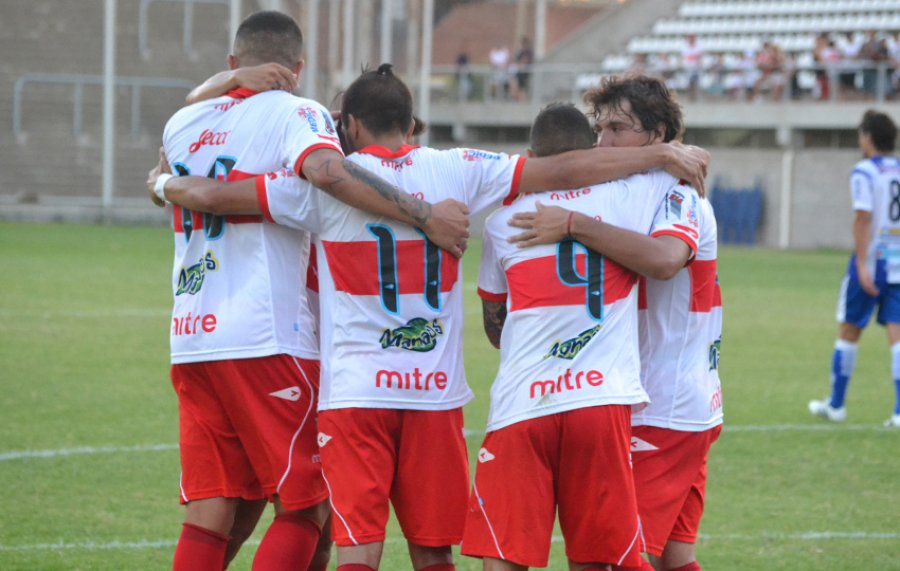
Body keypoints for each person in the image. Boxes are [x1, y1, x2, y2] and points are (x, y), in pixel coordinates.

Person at [150, 63, 710, 571]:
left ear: (350, 125)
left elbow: (216, 196)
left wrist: (161, 184)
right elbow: (562, 170)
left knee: (356, 550)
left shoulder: (322, 185)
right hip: (433, 396)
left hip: (356, 395)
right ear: (410, 121)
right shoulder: (457, 168)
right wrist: (660, 155)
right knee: (434, 552)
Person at [157, 12, 471, 571]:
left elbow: (176, 183)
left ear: (234, 64)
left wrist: (163, 178)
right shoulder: (297, 120)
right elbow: (327, 171)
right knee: (312, 500)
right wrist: (424, 215)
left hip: (192, 336)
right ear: (296, 69)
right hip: (268, 333)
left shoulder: (184, 122)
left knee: (216, 505)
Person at [461, 101, 702, 571]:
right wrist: (669, 152)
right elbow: (694, 159)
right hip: (600, 401)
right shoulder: (630, 197)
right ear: (593, 152)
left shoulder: (501, 222)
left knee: (504, 552)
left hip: (523, 403)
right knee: (596, 554)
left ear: (531, 157)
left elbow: (495, 323)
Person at [809, 109, 900, 429]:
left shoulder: (865, 171)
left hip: (873, 261)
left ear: (868, 137)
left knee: (849, 329)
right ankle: (899, 412)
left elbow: (863, 216)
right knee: (897, 336)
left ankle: (836, 405)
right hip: (897, 260)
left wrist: (862, 263)